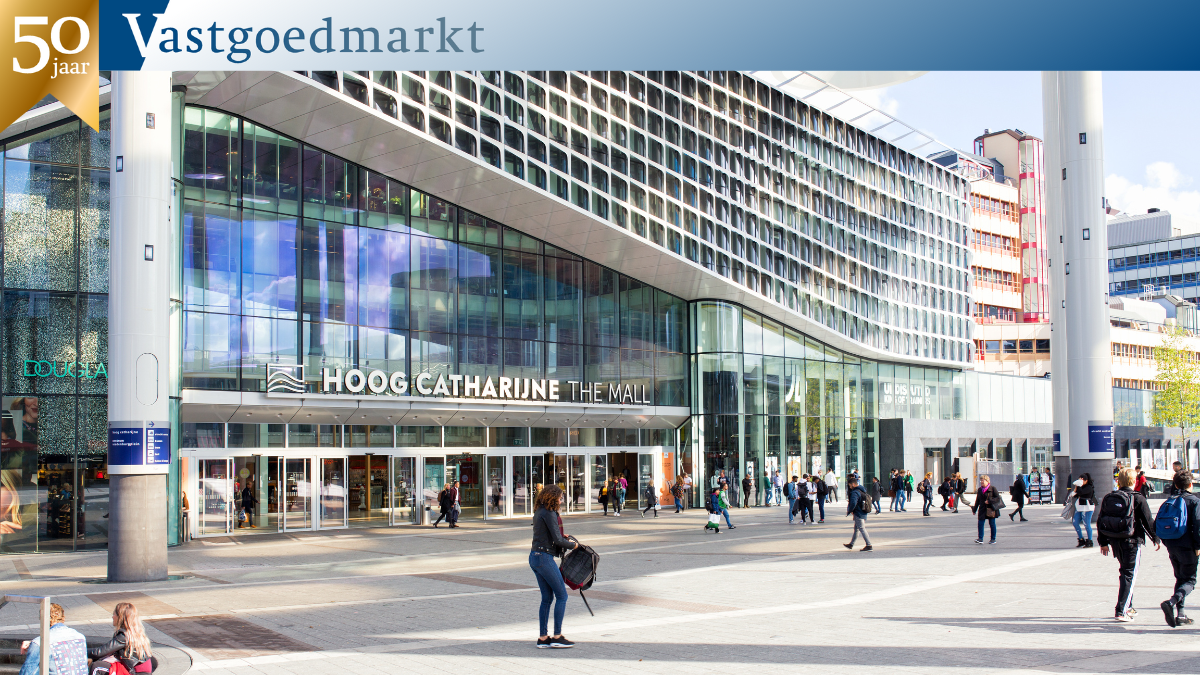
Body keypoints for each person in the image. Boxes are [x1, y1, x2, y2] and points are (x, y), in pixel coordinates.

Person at [1099, 468, 1160, 622]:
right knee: (1129, 575)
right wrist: (1156, 538)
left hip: (1115, 541)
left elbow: (1101, 520)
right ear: (1134, 481)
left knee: (1125, 572)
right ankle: (1122, 610)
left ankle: (1129, 606)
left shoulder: (1109, 497)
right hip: (1132, 541)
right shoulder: (1138, 498)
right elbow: (1148, 521)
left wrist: (1103, 542)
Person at [529, 484, 578, 648]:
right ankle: (557, 636)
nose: (561, 501)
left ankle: (543, 638)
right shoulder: (549, 513)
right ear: (553, 497)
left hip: (535, 557)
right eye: (560, 498)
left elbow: (548, 534)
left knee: (547, 598)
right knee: (562, 596)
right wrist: (574, 546)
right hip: (544, 558)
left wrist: (561, 536)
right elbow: (557, 540)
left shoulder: (540, 511)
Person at [1159, 471, 1200, 627]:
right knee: (1190, 580)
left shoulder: (1170, 501)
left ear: (1175, 485)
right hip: (1188, 546)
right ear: (1190, 484)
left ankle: (1181, 614)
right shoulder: (1194, 501)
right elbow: (1198, 525)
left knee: (1180, 578)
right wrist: (1198, 546)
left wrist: (1167, 542)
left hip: (1172, 545)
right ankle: (1171, 602)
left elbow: (1158, 524)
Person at [18, 603, 86, 675]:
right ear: (62, 617)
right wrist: (33, 643)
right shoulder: (80, 637)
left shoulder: (39, 643)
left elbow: (27, 672)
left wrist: (35, 644)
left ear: (43, 619)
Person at [88, 602, 154, 675]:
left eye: (114, 614)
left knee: (97, 667)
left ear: (120, 617)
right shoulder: (132, 633)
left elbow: (99, 652)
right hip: (140, 671)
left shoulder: (124, 636)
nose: (112, 617)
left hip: (137, 673)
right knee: (100, 663)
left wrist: (81, 651)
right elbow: (107, 652)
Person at [842, 476, 873, 552]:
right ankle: (851, 544)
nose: (850, 487)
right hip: (863, 511)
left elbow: (853, 502)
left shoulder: (855, 492)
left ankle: (869, 545)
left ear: (853, 484)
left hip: (858, 512)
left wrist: (850, 510)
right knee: (857, 529)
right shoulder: (863, 490)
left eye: (850, 485)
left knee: (861, 528)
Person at [971, 474, 1003, 544]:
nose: (981, 482)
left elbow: (998, 498)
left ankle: (993, 539)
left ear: (987, 481)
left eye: (983, 480)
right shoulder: (980, 490)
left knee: (992, 524)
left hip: (990, 509)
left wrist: (989, 501)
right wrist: (974, 509)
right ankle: (980, 538)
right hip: (982, 509)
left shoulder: (992, 488)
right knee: (980, 523)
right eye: (981, 480)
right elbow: (977, 500)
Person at [1072, 473, 1097, 548]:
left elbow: (1081, 493)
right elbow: (1074, 495)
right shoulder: (1079, 487)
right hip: (1080, 507)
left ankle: (1089, 541)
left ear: (1086, 480)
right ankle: (1081, 539)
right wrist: (1076, 487)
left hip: (1087, 507)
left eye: (1082, 480)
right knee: (1075, 522)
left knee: (1086, 524)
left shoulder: (1089, 487)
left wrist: (1079, 486)